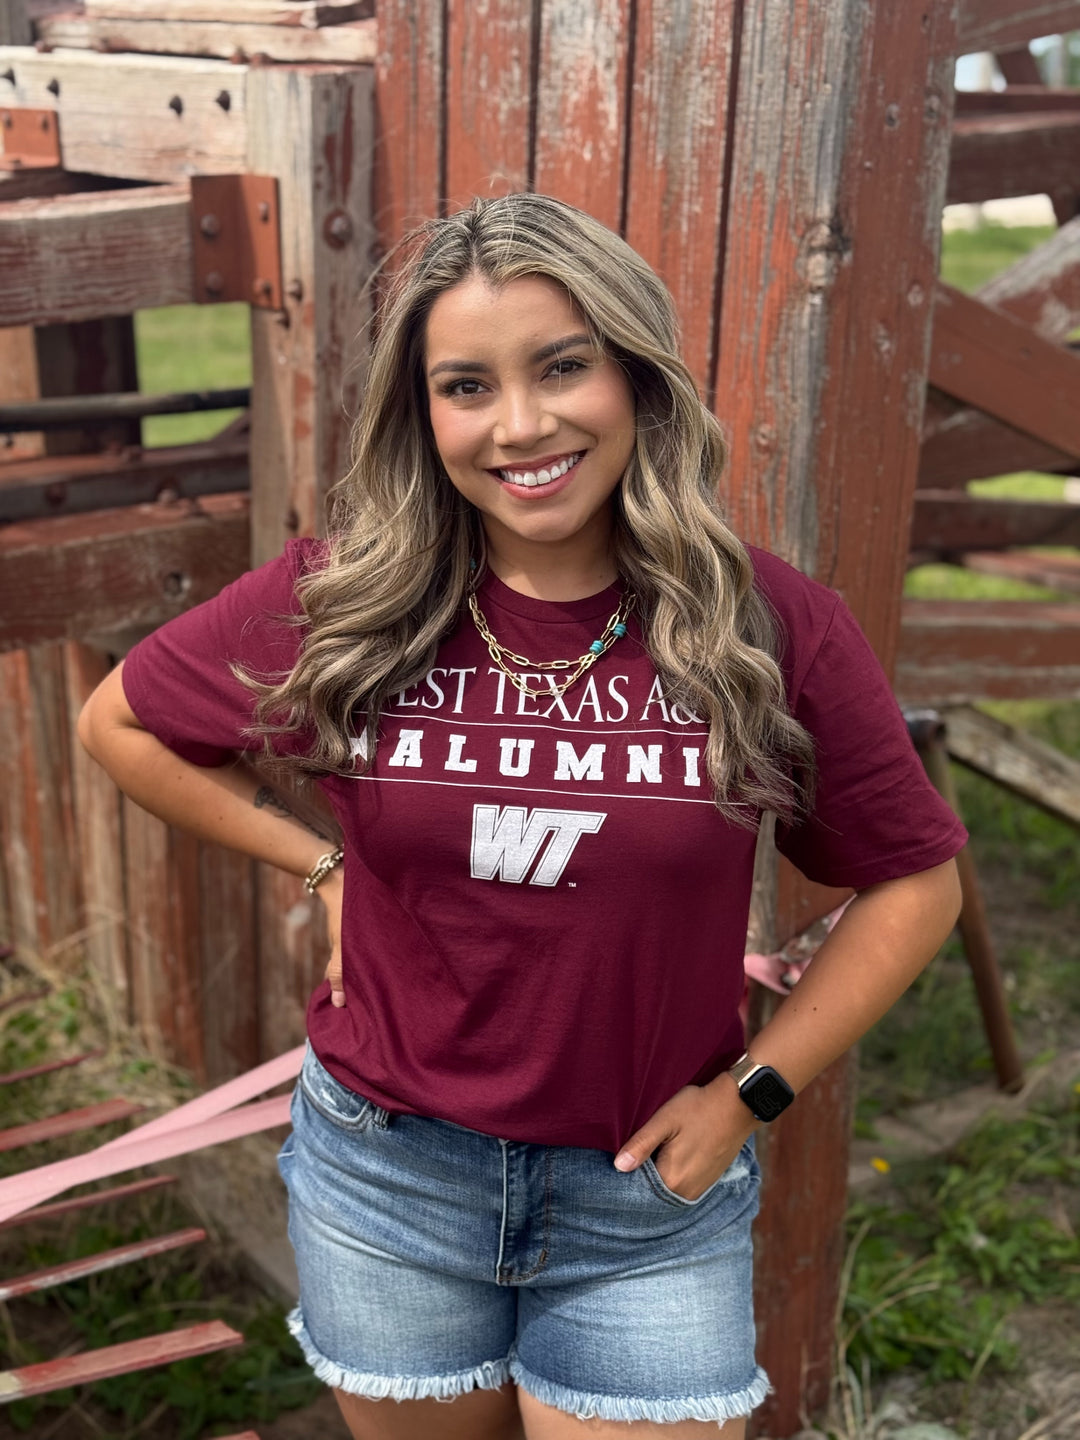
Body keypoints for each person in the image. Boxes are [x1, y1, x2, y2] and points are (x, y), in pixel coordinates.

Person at [78, 193, 965, 1440]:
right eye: (467, 386)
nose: (523, 425)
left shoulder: (764, 628)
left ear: (637, 376)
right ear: (423, 411)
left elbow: (915, 881)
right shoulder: (352, 601)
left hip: (642, 1201)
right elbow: (121, 725)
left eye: (563, 367)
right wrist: (325, 862)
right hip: (385, 1172)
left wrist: (754, 1094)